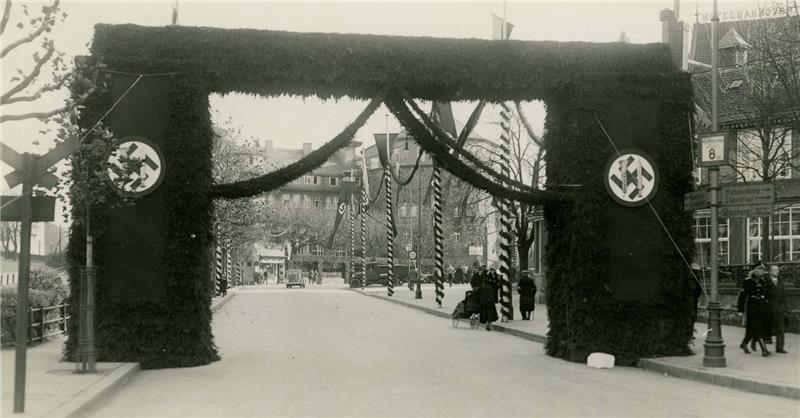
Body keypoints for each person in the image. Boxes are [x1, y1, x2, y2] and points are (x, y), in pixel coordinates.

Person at [739, 264, 771, 356]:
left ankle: (744, 344)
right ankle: (764, 350)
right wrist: (741, 310)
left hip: (762, 308)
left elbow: (766, 294)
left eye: (763, 269)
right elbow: (742, 296)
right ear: (755, 270)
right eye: (760, 269)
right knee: (759, 328)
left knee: (751, 330)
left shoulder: (762, 280)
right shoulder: (748, 281)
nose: (762, 271)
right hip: (752, 308)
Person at [768, 264, 788, 354]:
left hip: (780, 309)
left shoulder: (780, 282)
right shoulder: (766, 282)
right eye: (775, 270)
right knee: (766, 328)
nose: (777, 272)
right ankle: (757, 342)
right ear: (770, 272)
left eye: (777, 270)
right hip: (769, 309)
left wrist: (785, 308)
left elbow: (783, 296)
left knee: (781, 328)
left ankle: (780, 348)